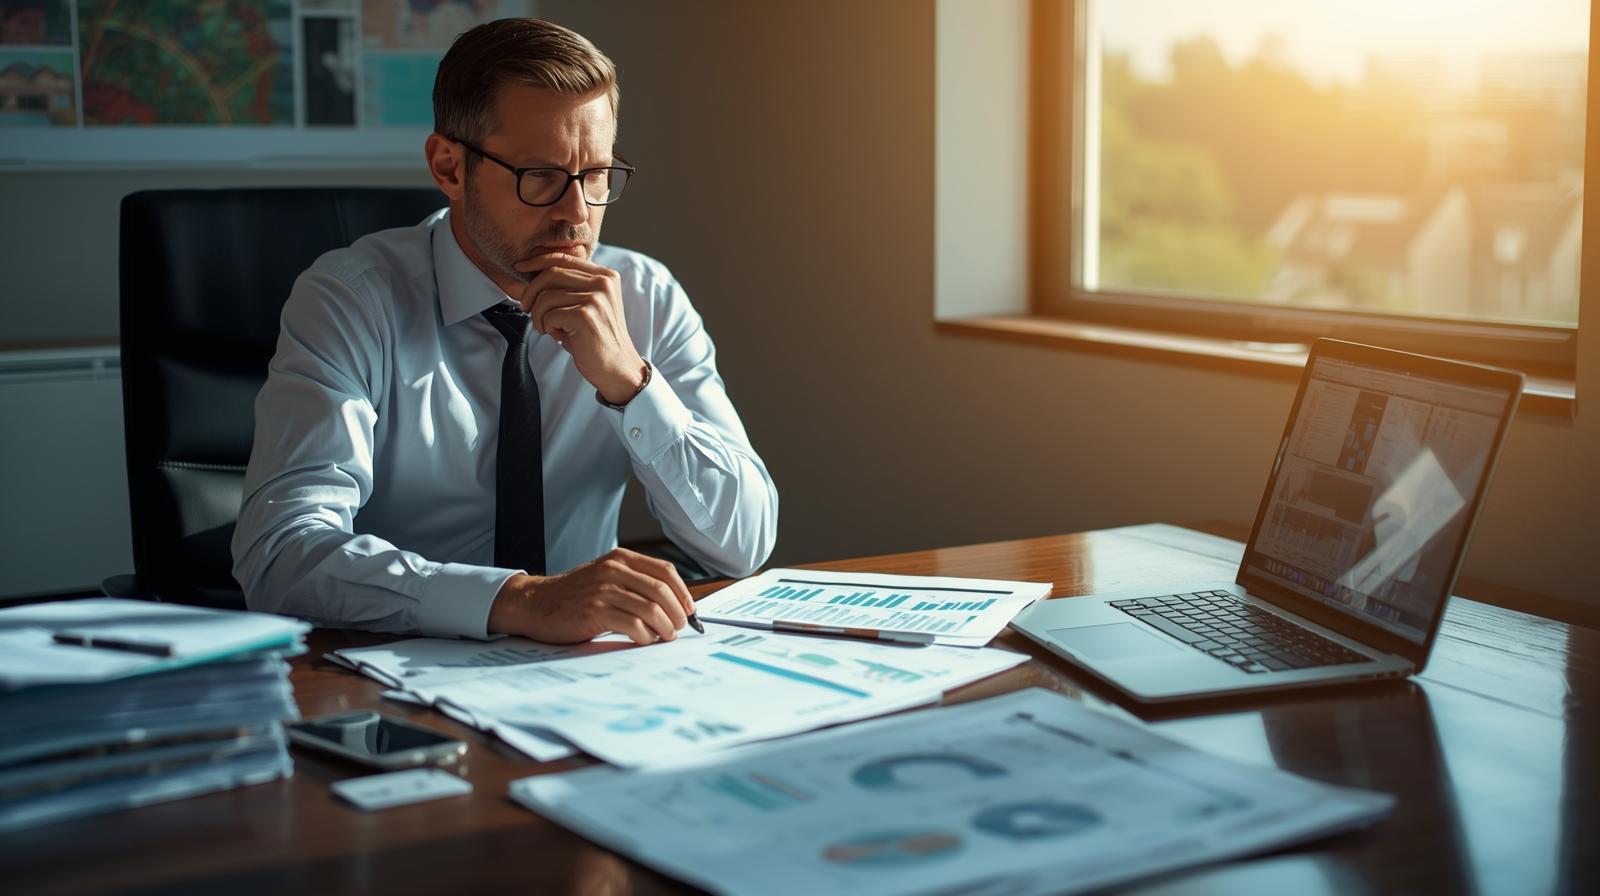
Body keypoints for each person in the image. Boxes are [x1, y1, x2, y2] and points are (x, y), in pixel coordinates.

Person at [232, 19, 778, 646]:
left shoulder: (646, 296)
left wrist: (630, 383)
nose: (577, 214)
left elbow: (743, 543)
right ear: (449, 166)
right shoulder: (352, 300)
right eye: (541, 175)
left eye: (596, 174)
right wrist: (520, 601)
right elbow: (279, 555)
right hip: (397, 667)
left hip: (588, 675)